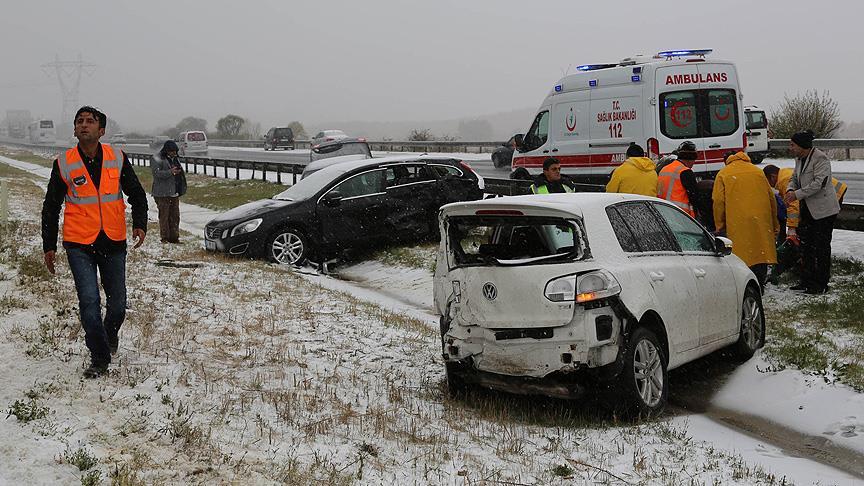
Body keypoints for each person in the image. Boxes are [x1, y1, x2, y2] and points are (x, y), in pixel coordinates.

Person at [41, 106, 148, 378]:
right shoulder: (64, 162)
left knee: (117, 305)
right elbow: (51, 207)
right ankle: (99, 357)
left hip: (112, 241)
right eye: (80, 121)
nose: (84, 125)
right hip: (79, 243)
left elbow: (136, 193)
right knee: (89, 301)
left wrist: (140, 224)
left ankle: (109, 334)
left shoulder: (117, 157)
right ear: (75, 130)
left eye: (90, 121)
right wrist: (49, 245)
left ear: (101, 131)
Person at [783, 130, 841, 294]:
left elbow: (819, 184)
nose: (790, 148)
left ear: (802, 146)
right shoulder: (799, 159)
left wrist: (796, 194)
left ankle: (821, 283)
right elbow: (794, 177)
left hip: (824, 211)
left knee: (821, 247)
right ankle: (806, 280)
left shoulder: (820, 158)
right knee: (806, 246)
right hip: (808, 209)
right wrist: (789, 189)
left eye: (793, 144)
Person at [712, 151, 778, 288]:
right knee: (760, 252)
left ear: (727, 160)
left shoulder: (724, 173)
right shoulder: (757, 171)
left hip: (737, 220)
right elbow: (772, 199)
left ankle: (746, 285)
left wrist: (719, 224)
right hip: (760, 219)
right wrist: (774, 222)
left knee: (742, 254)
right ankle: (760, 283)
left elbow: (718, 201)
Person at [150, 140, 187, 243]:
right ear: (166, 151)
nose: (174, 153)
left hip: (174, 192)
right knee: (164, 216)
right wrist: (170, 172)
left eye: (175, 151)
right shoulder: (157, 158)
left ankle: (174, 237)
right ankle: (165, 237)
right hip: (162, 193)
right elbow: (157, 174)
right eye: (171, 151)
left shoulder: (175, 159)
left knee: (175, 216)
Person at [657, 141, 700, 218]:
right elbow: (694, 196)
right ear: (690, 159)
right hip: (680, 214)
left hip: (664, 212)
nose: (694, 163)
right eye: (694, 160)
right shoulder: (685, 171)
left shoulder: (664, 169)